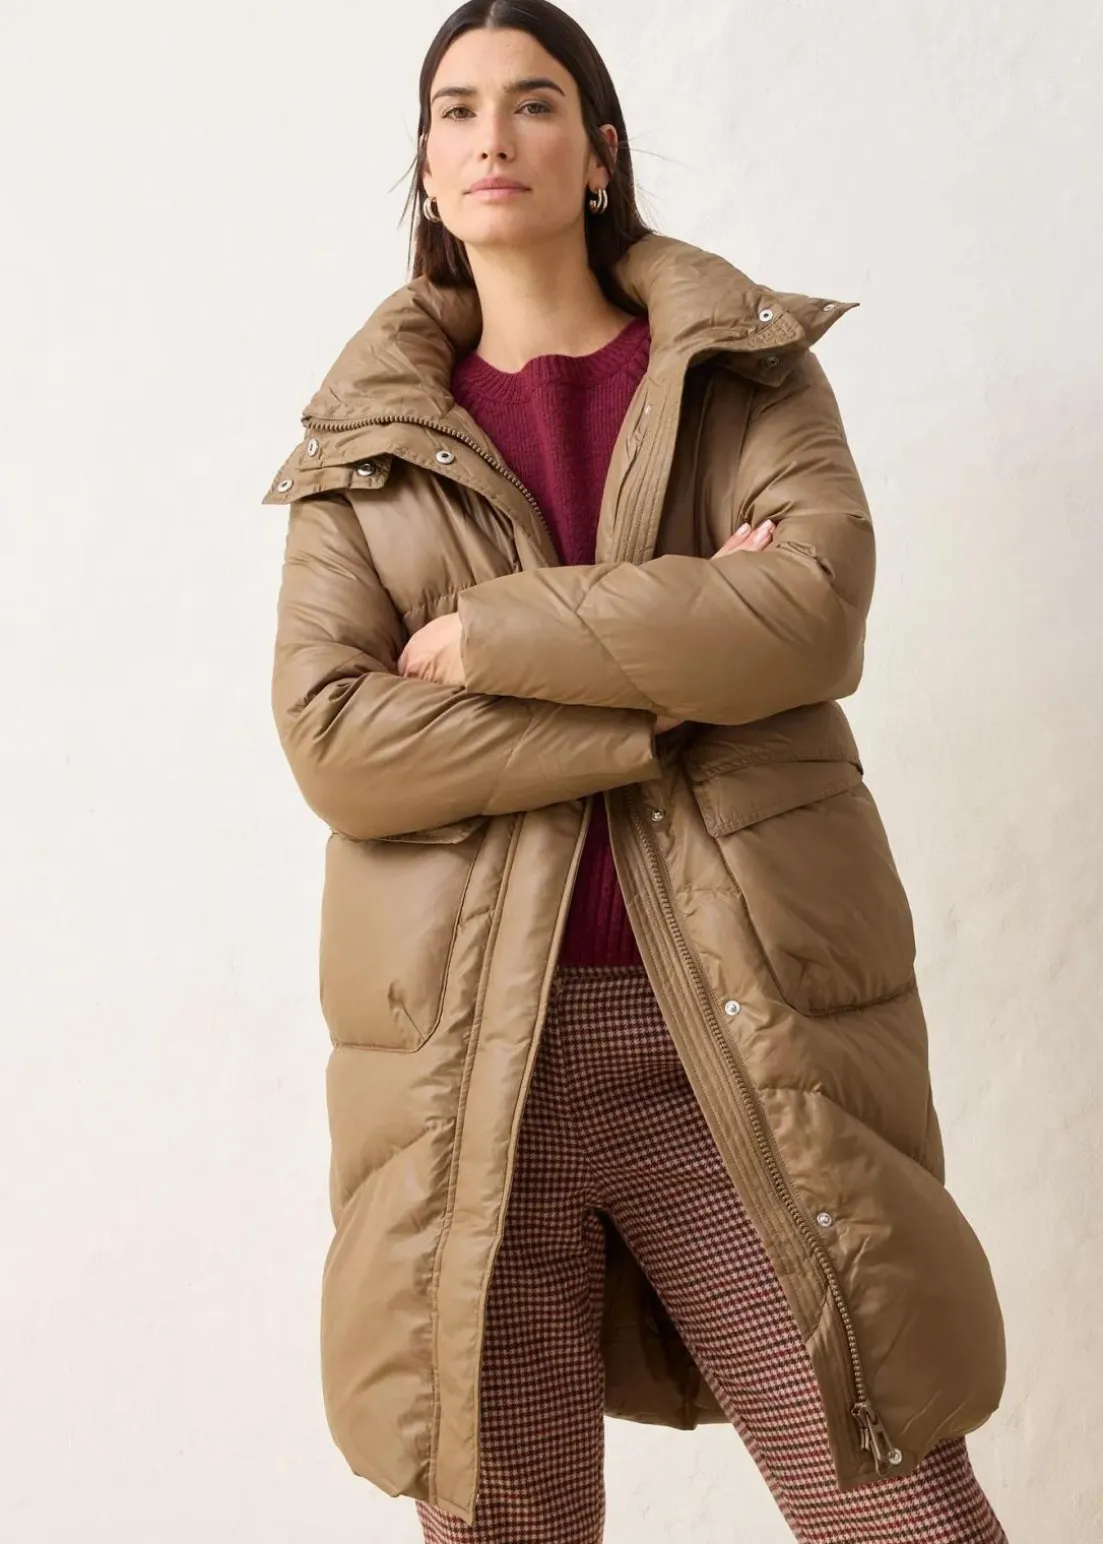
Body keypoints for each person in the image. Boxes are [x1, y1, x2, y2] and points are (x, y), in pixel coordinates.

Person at [262, 2, 1009, 1539]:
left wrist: (492, 634)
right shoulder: (363, 446)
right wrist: (655, 703)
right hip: (471, 1069)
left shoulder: (744, 374)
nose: (492, 135)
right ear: (425, 163)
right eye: (456, 108)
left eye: (534, 103)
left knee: (902, 1514)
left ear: (597, 155)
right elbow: (336, 740)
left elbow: (809, 613)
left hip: (726, 1043)